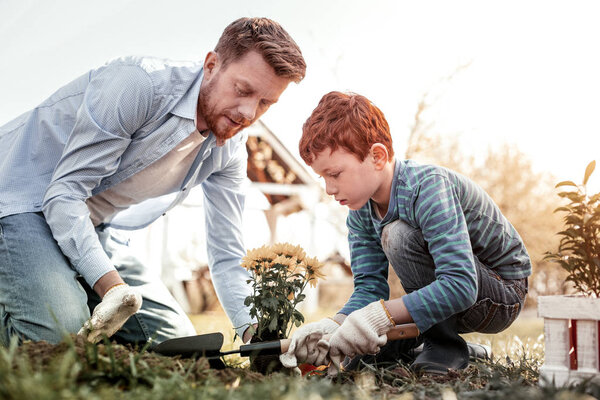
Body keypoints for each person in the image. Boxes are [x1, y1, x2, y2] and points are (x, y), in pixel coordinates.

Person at [0, 17, 306, 347]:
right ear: (211, 65)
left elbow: (227, 253)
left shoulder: (229, 149)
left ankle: (61, 295)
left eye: (265, 103)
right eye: (243, 90)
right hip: (21, 201)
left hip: (92, 224)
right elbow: (63, 195)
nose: (249, 112)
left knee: (175, 342)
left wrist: (258, 337)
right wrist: (112, 288)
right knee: (57, 337)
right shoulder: (138, 85)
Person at [280, 91, 530, 375]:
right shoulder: (360, 211)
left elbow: (461, 284)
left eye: (335, 174)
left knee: (397, 235)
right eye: (322, 177)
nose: (329, 188)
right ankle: (438, 347)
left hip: (501, 292)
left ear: (377, 156)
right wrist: (332, 325)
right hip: (459, 293)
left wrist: (381, 316)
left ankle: (443, 346)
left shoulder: (427, 188)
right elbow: (369, 290)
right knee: (366, 359)